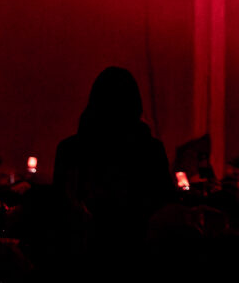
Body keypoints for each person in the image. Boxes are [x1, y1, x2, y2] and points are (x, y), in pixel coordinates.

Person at [53, 67, 171, 238]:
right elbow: (164, 204)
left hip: (82, 251)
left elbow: (61, 207)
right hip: (138, 247)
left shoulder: (70, 149)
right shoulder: (150, 150)